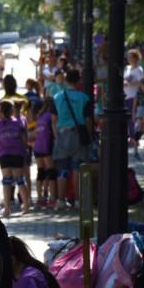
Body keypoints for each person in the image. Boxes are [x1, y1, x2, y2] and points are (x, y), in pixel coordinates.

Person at [52, 69, 94, 209]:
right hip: (78, 134)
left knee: (63, 169)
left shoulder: (57, 97)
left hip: (62, 134)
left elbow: (53, 119)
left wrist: (56, 135)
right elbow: (88, 119)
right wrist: (88, 135)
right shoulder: (84, 98)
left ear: (65, 80)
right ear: (78, 81)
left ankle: (61, 200)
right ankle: (77, 201)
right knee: (77, 168)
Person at [0, 101, 30, 216]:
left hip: (4, 154)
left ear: (0, 111)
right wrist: (24, 152)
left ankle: (7, 208)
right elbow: (24, 140)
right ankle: (26, 207)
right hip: (17, 153)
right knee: (20, 179)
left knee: (6, 181)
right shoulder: (19, 123)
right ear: (12, 110)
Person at [33, 98, 57, 208]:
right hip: (47, 146)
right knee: (51, 172)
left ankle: (40, 198)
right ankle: (52, 198)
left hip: (37, 147)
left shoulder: (40, 116)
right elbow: (53, 127)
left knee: (41, 172)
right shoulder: (50, 115)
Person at [123, 50, 144, 144]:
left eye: (130, 57)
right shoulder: (127, 68)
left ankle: (133, 137)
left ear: (135, 58)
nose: (129, 58)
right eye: (128, 57)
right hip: (125, 95)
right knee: (126, 117)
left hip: (134, 96)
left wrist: (131, 83)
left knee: (132, 117)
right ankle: (129, 136)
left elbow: (142, 82)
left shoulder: (139, 69)